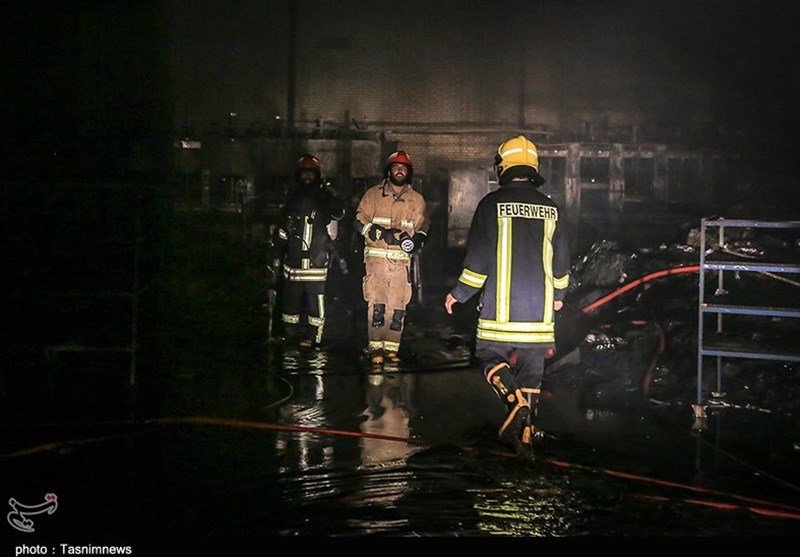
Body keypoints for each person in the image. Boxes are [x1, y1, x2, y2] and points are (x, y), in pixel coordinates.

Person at [444, 135, 570, 459]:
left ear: (503, 167)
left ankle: (514, 405)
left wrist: (460, 293)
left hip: (501, 312)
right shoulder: (551, 209)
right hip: (539, 314)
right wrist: (559, 294)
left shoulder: (490, 205)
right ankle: (525, 435)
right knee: (532, 370)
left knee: (488, 355)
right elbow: (561, 261)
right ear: (533, 167)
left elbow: (478, 260)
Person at [353, 150, 429, 367]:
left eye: (404, 168)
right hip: (376, 263)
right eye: (396, 167)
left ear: (409, 172)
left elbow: (423, 225)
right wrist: (379, 233)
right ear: (389, 171)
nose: (400, 171)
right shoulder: (373, 195)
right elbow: (358, 220)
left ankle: (391, 349)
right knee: (377, 305)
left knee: (398, 307)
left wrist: (418, 240)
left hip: (401, 264)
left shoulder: (416, 200)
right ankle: (375, 347)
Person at [274, 153, 346, 349]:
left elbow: (339, 214)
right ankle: (289, 338)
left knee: (316, 304)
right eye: (304, 173)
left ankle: (315, 339)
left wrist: (331, 197)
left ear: (317, 175)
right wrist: (284, 230)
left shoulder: (324, 197)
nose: (307, 177)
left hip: (316, 262)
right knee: (290, 304)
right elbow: (280, 232)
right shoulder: (292, 197)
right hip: (293, 262)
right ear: (298, 175)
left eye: (311, 173)